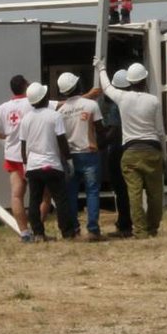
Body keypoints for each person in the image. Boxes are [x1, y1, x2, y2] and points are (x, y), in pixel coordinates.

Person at [99, 61, 163, 238]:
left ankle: (140, 231)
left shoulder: (122, 98)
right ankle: (153, 228)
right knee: (155, 194)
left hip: (131, 152)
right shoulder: (154, 101)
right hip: (152, 149)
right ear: (144, 80)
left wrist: (101, 68)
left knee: (133, 194)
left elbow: (106, 87)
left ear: (129, 81)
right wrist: (161, 152)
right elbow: (160, 131)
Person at [17, 82, 76, 241]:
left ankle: (38, 233)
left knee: (34, 201)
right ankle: (67, 232)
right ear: (44, 98)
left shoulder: (26, 119)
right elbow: (62, 140)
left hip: (33, 166)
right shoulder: (54, 116)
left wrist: (24, 165)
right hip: (52, 164)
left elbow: (23, 146)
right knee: (61, 199)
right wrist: (69, 160)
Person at [0, 75, 33, 239]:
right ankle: (37, 228)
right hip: (31, 154)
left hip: (12, 154)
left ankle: (24, 231)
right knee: (41, 194)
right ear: (25, 86)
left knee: (16, 195)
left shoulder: (5, 107)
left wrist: (0, 135)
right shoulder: (33, 103)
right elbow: (59, 105)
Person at [56, 72, 107, 239]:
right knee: (92, 191)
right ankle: (93, 229)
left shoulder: (61, 112)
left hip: (70, 156)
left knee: (71, 194)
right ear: (77, 86)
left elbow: (60, 136)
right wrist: (102, 147)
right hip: (90, 153)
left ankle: (74, 229)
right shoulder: (91, 105)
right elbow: (100, 129)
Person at [98, 70, 134, 237]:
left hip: (118, 151)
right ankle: (134, 221)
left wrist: (99, 144)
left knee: (120, 189)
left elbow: (113, 131)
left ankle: (125, 223)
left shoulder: (116, 106)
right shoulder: (137, 100)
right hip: (133, 148)